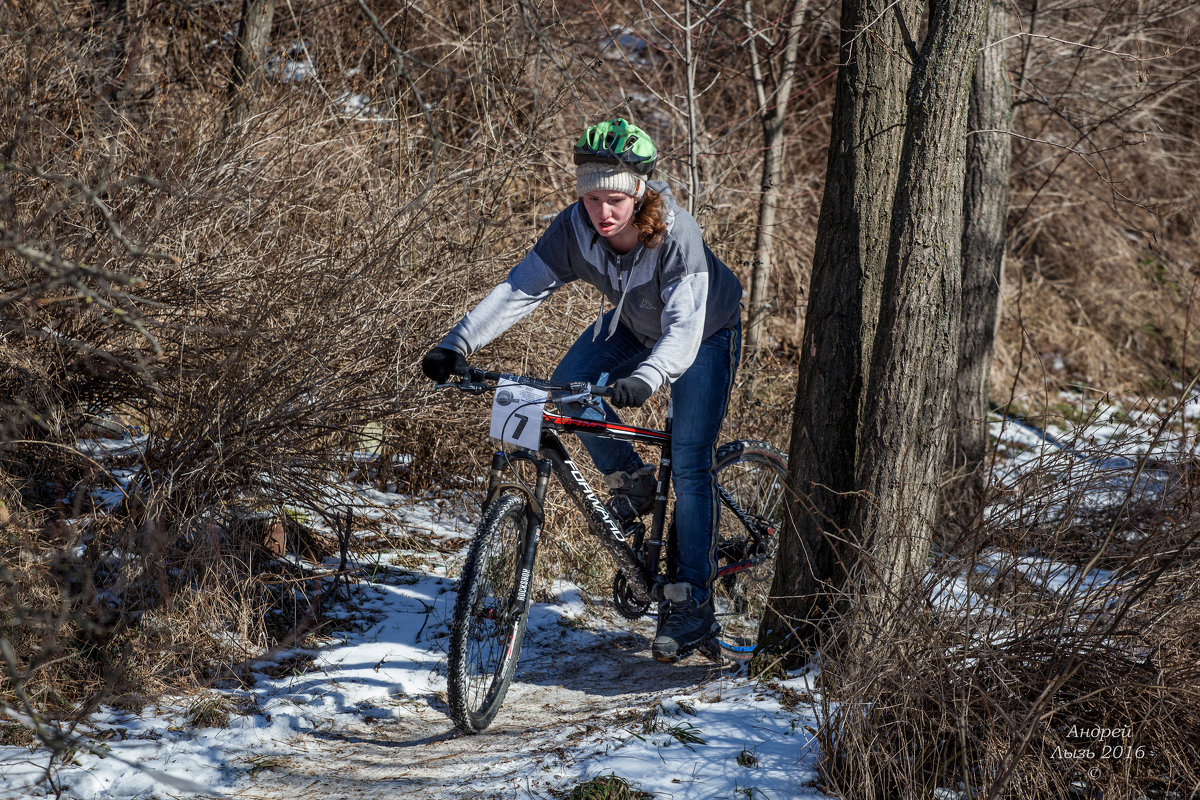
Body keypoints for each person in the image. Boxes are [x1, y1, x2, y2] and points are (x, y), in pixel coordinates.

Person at [421, 118, 743, 662]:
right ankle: (634, 481)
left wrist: (646, 378)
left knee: (689, 461)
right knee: (569, 393)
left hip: (705, 334)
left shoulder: (675, 235)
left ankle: (691, 608)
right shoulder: (574, 228)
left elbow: (684, 329)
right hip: (631, 325)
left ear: (639, 190)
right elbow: (519, 289)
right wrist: (458, 344)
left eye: (613, 196)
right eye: (591, 196)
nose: (602, 211)